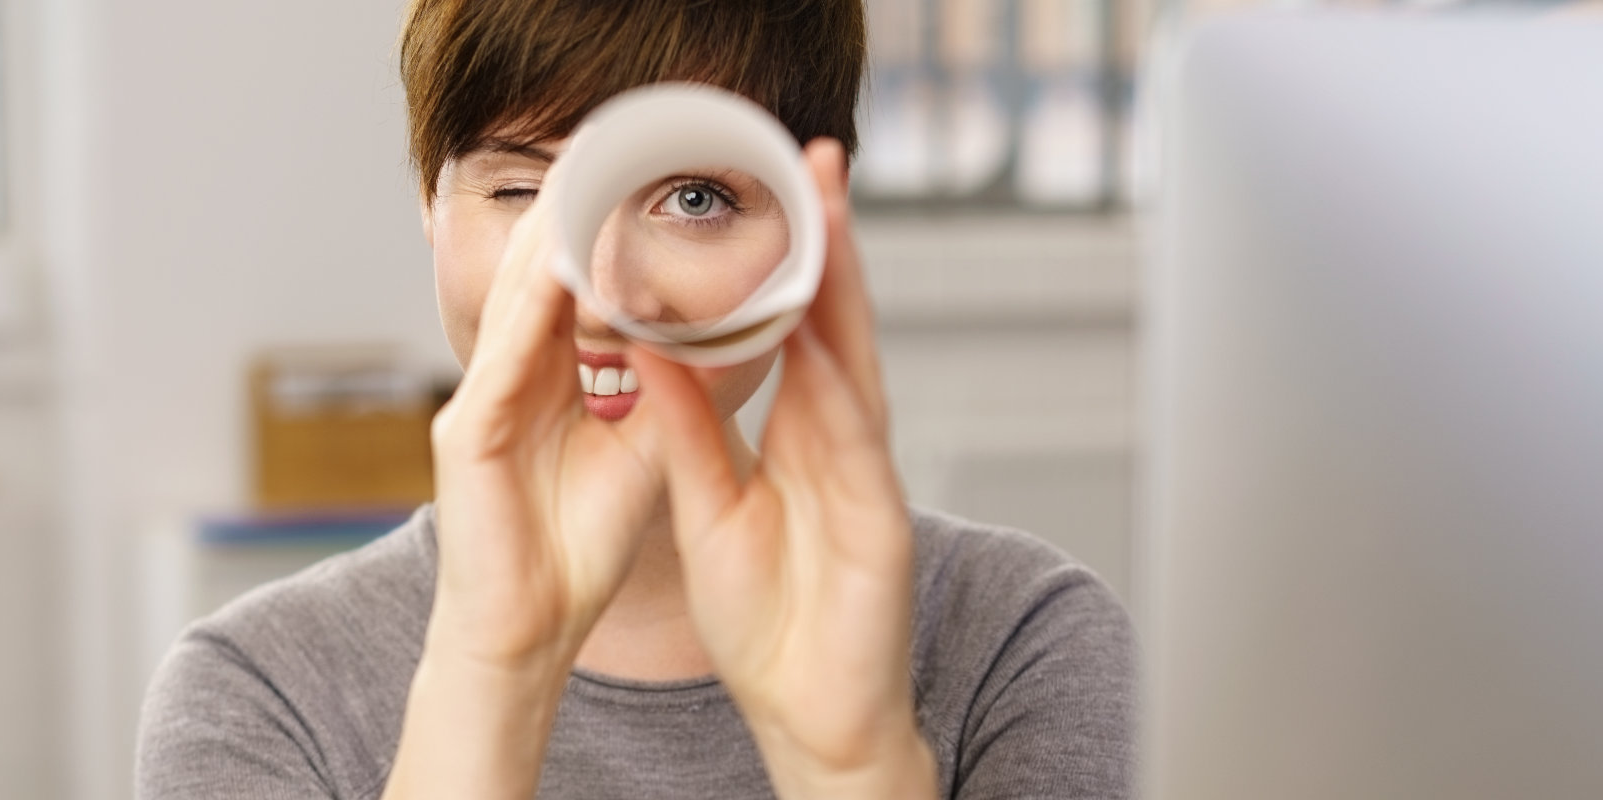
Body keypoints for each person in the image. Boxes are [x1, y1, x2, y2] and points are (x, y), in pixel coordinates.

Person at [135, 2, 1135, 798]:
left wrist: (850, 764)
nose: (603, 294)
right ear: (429, 202)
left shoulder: (1019, 641)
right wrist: (494, 667)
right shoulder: (254, 691)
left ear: (813, 218)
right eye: (523, 193)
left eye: (694, 198)